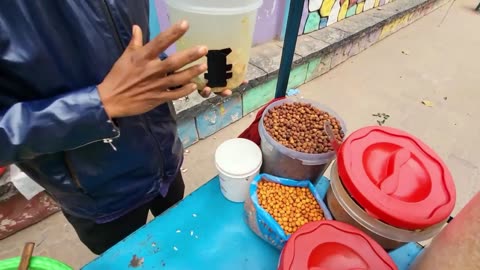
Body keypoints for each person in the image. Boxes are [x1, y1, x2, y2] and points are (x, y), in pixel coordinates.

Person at [0, 1, 231, 254]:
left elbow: (128, 53)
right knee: (126, 258)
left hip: (165, 158)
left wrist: (170, 73)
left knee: (183, 240)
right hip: (98, 192)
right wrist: (98, 106)